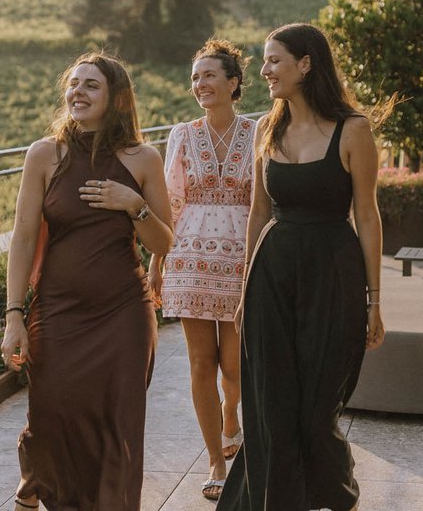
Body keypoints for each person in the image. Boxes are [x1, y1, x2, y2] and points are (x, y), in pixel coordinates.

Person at [216, 23, 386, 511]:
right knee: (271, 402)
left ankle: (337, 491)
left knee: (316, 409)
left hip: (333, 275)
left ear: (305, 64)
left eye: (274, 60)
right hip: (271, 274)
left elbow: (368, 217)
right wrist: (245, 290)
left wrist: (374, 301)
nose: (264, 70)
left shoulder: (353, 130)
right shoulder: (267, 129)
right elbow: (258, 212)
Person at [0, 52, 174, 511]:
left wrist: (131, 203)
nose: (77, 92)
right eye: (73, 84)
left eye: (91, 85)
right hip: (57, 310)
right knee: (51, 414)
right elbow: (22, 237)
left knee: (116, 425)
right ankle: (36, 484)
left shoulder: (143, 159)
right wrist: (13, 315)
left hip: (123, 315)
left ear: (116, 98)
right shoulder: (44, 155)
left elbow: (163, 242)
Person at [150, 39, 256, 501]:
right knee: (199, 362)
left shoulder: (259, 133)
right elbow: (170, 201)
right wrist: (156, 263)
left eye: (209, 75)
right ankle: (215, 458)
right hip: (188, 259)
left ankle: (232, 413)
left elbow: (264, 200)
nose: (200, 84)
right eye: (195, 77)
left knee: (233, 366)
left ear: (234, 83)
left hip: (240, 261)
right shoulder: (181, 134)